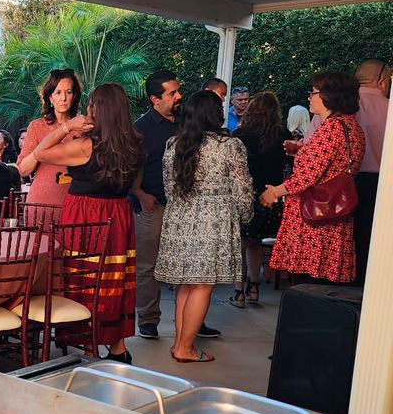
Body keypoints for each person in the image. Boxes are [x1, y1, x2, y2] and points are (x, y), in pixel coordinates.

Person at [26, 83, 143, 362]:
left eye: (91, 104)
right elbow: (136, 183)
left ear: (98, 110)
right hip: (119, 214)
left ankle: (84, 337)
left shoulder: (86, 145)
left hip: (85, 214)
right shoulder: (135, 144)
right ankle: (117, 346)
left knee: (82, 277)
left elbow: (40, 153)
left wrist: (66, 128)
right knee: (114, 278)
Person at [155, 92, 253, 363]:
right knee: (202, 285)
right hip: (214, 218)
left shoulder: (173, 144)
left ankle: (179, 343)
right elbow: (243, 189)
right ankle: (185, 348)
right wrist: (245, 216)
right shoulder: (229, 146)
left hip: (180, 216)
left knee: (186, 285)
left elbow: (168, 188)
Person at [132, 70, 220, 340]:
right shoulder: (141, 128)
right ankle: (148, 319)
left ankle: (191, 320)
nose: (179, 96)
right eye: (172, 93)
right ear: (154, 98)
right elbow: (129, 166)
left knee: (191, 263)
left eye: (178, 90)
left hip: (186, 207)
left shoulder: (188, 122)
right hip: (152, 205)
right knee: (148, 266)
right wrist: (139, 193)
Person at [261, 72, 366, 284]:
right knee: (324, 284)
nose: (309, 96)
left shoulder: (332, 128)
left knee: (311, 283)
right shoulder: (349, 125)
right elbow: (330, 166)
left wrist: (273, 192)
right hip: (333, 214)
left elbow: (306, 177)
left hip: (317, 220)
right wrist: (301, 153)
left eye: (314, 92)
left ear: (329, 96)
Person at [230, 91, 288, 306]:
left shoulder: (241, 135)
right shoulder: (283, 134)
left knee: (240, 244)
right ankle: (254, 288)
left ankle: (239, 292)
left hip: (245, 194)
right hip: (270, 195)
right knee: (256, 243)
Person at [16, 69, 82, 209]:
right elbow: (23, 170)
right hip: (41, 203)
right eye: (58, 92)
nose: (63, 98)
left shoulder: (83, 128)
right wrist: (40, 152)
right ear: (50, 98)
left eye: (68, 92)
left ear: (74, 96)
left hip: (76, 204)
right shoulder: (37, 126)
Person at [350, 59, 390, 282]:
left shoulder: (338, 107)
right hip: (382, 185)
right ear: (383, 81)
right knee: (375, 244)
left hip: (345, 183)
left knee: (348, 240)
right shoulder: (389, 109)